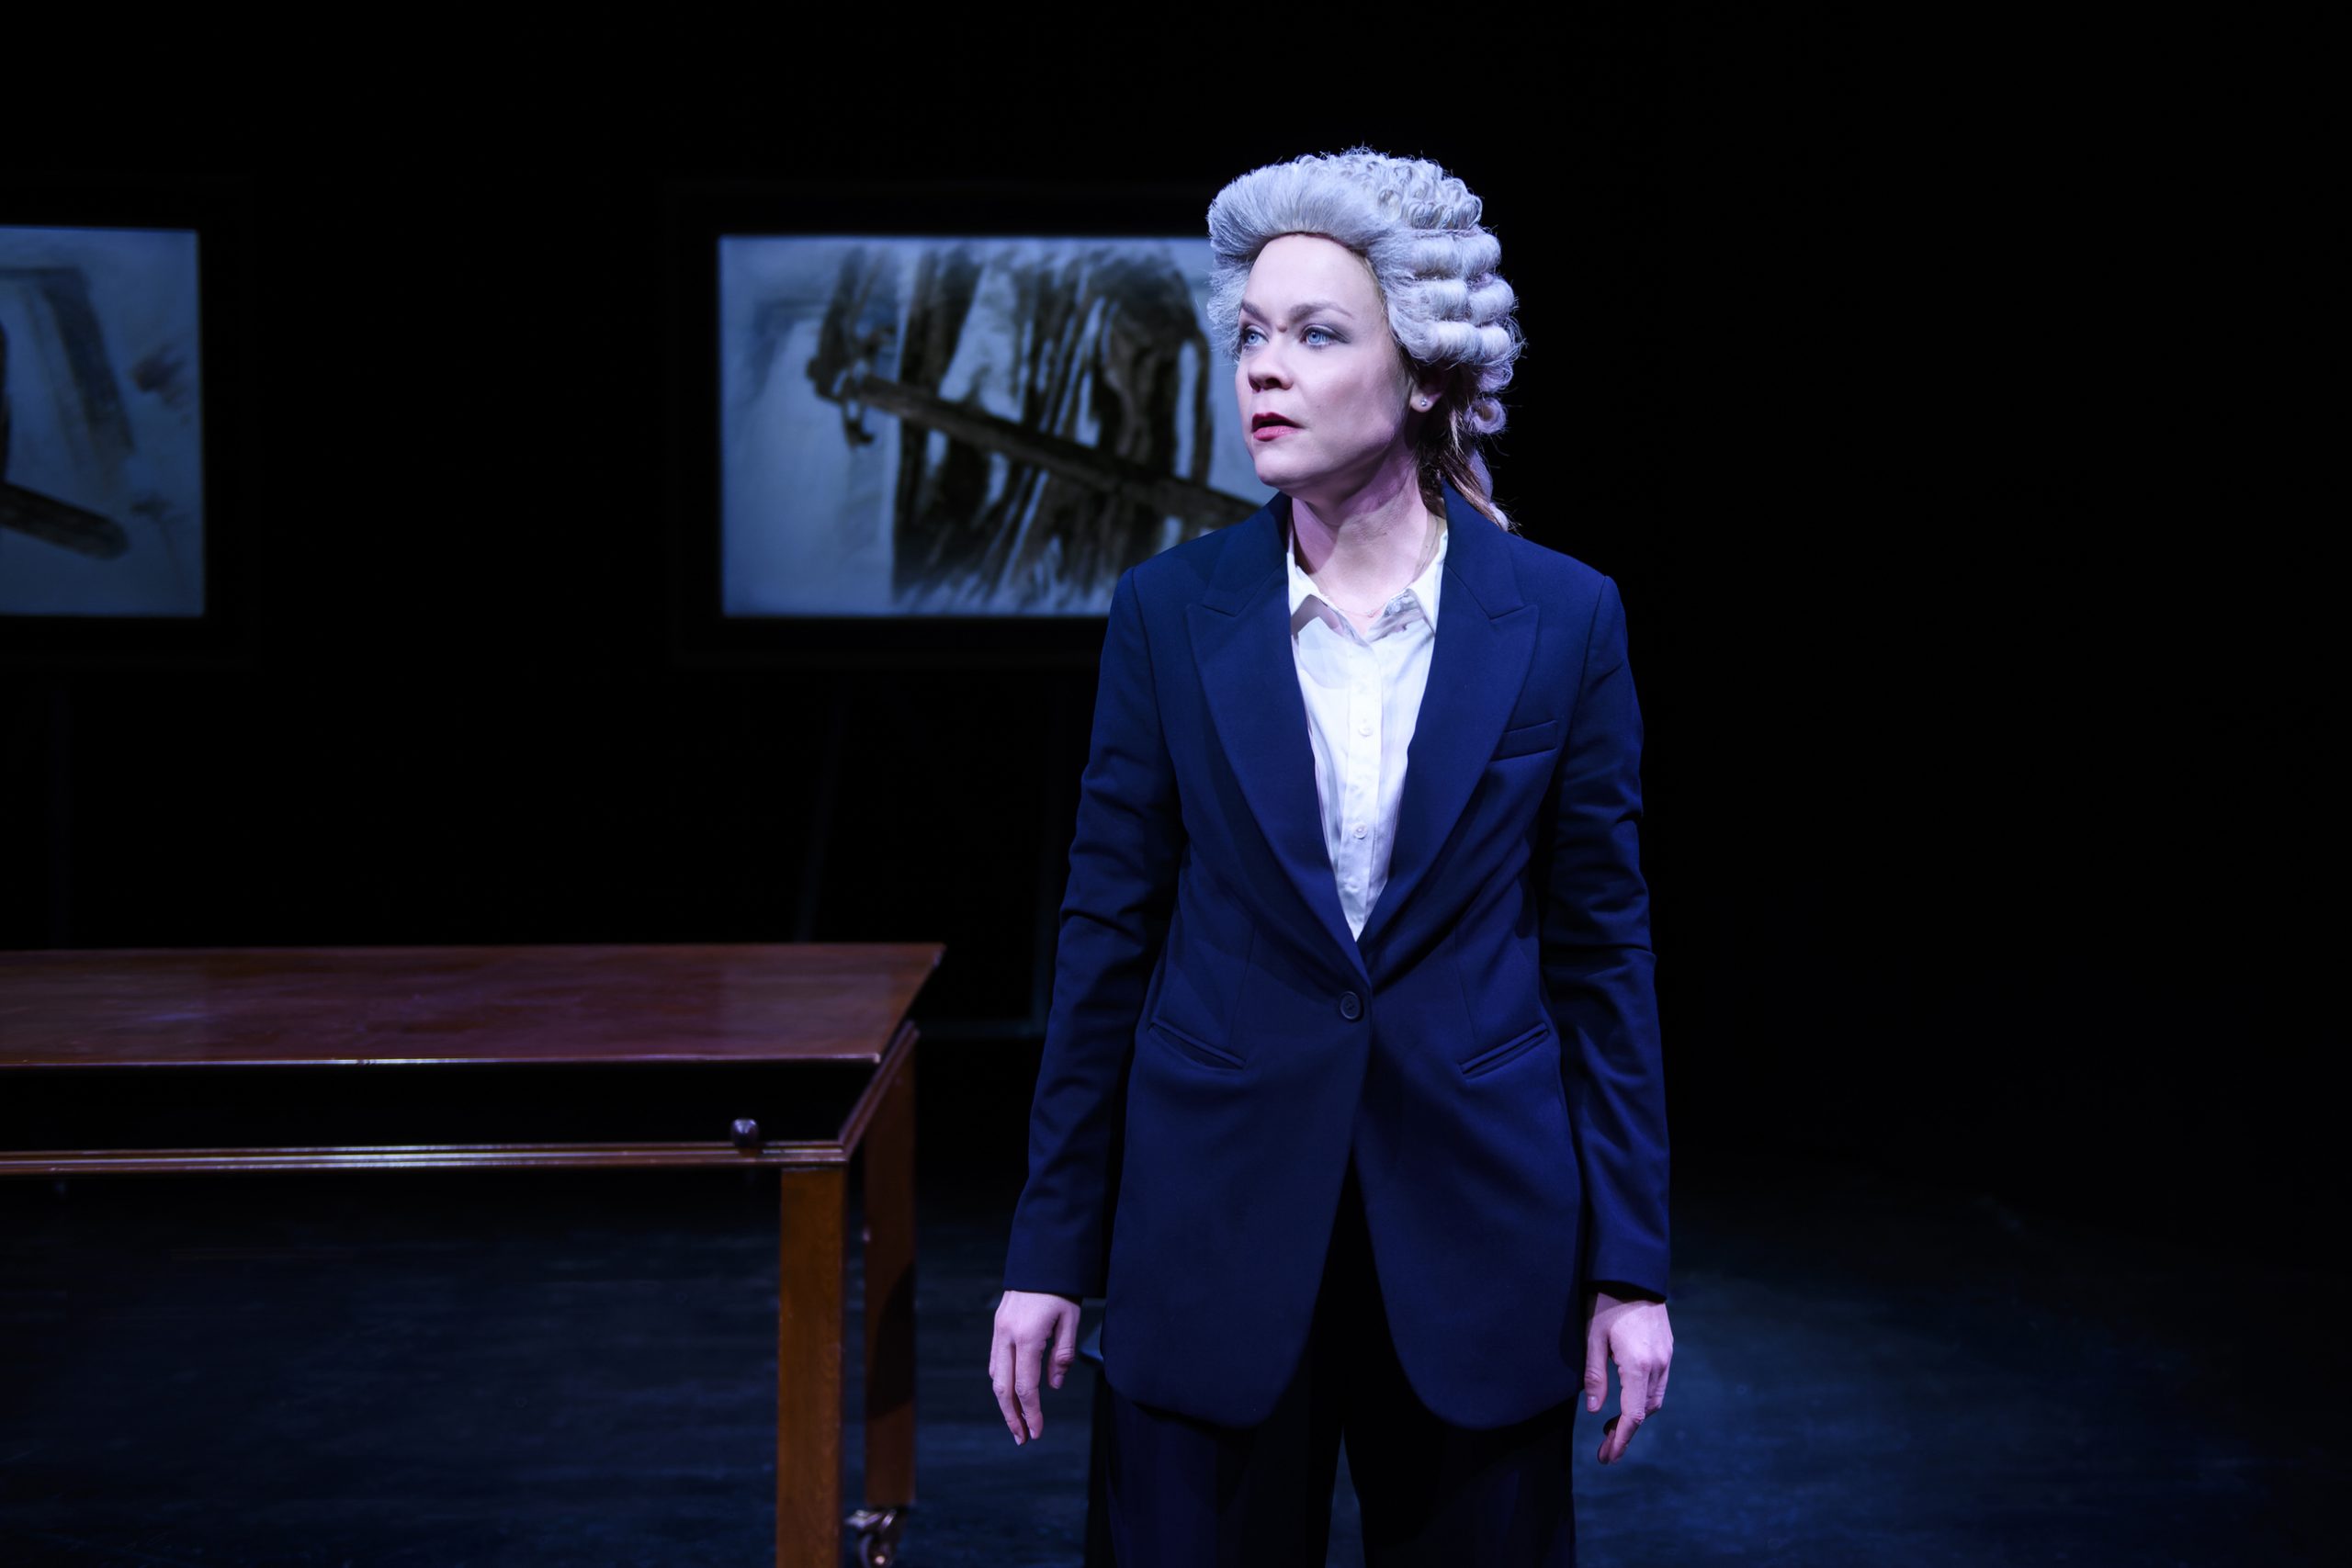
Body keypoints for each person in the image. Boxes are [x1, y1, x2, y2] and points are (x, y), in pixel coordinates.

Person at [989, 148, 1673, 1566]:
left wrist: (1631, 1267)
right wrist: (1051, 1252)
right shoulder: (1171, 612)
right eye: (1252, 334)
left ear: (1421, 372)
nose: (1264, 368)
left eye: (1314, 334)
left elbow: (1602, 956)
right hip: (1213, 1229)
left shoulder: (1563, 618)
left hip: (1479, 1237)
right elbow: (1105, 941)